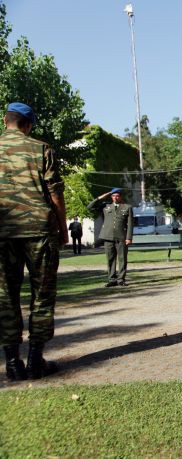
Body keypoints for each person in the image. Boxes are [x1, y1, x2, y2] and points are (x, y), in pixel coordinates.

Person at [0, 102, 67, 380]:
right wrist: (63, 228)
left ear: (5, 121)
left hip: (3, 232)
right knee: (42, 295)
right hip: (39, 230)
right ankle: (36, 360)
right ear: (27, 125)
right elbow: (55, 193)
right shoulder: (41, 149)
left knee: (5, 296)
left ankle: (13, 363)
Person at [87, 188, 133, 287]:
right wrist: (100, 197)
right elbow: (89, 207)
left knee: (122, 259)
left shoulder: (127, 207)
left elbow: (130, 224)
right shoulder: (105, 206)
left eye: (117, 196)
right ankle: (112, 279)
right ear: (111, 197)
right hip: (108, 237)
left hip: (121, 237)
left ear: (120, 196)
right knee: (110, 259)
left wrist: (129, 238)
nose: (115, 198)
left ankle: (121, 279)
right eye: (113, 196)